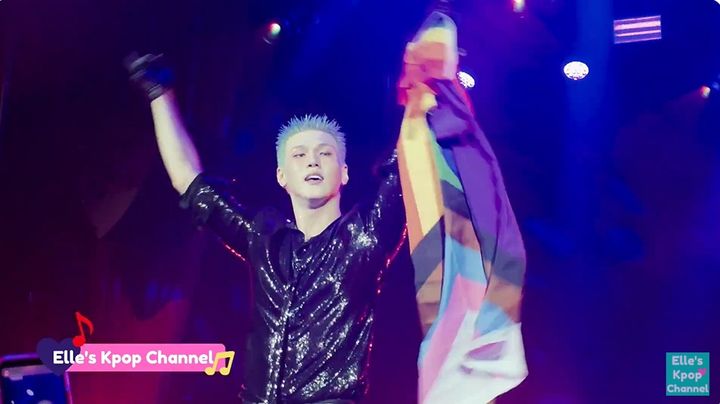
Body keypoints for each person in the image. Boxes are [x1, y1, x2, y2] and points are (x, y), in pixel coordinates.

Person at [126, 54, 407, 404]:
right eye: (299, 155)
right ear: (281, 176)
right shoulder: (266, 239)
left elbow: (405, 168)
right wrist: (159, 93)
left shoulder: (365, 236)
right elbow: (190, 183)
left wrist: (422, 92)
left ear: (344, 173)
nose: (312, 160)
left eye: (325, 153)